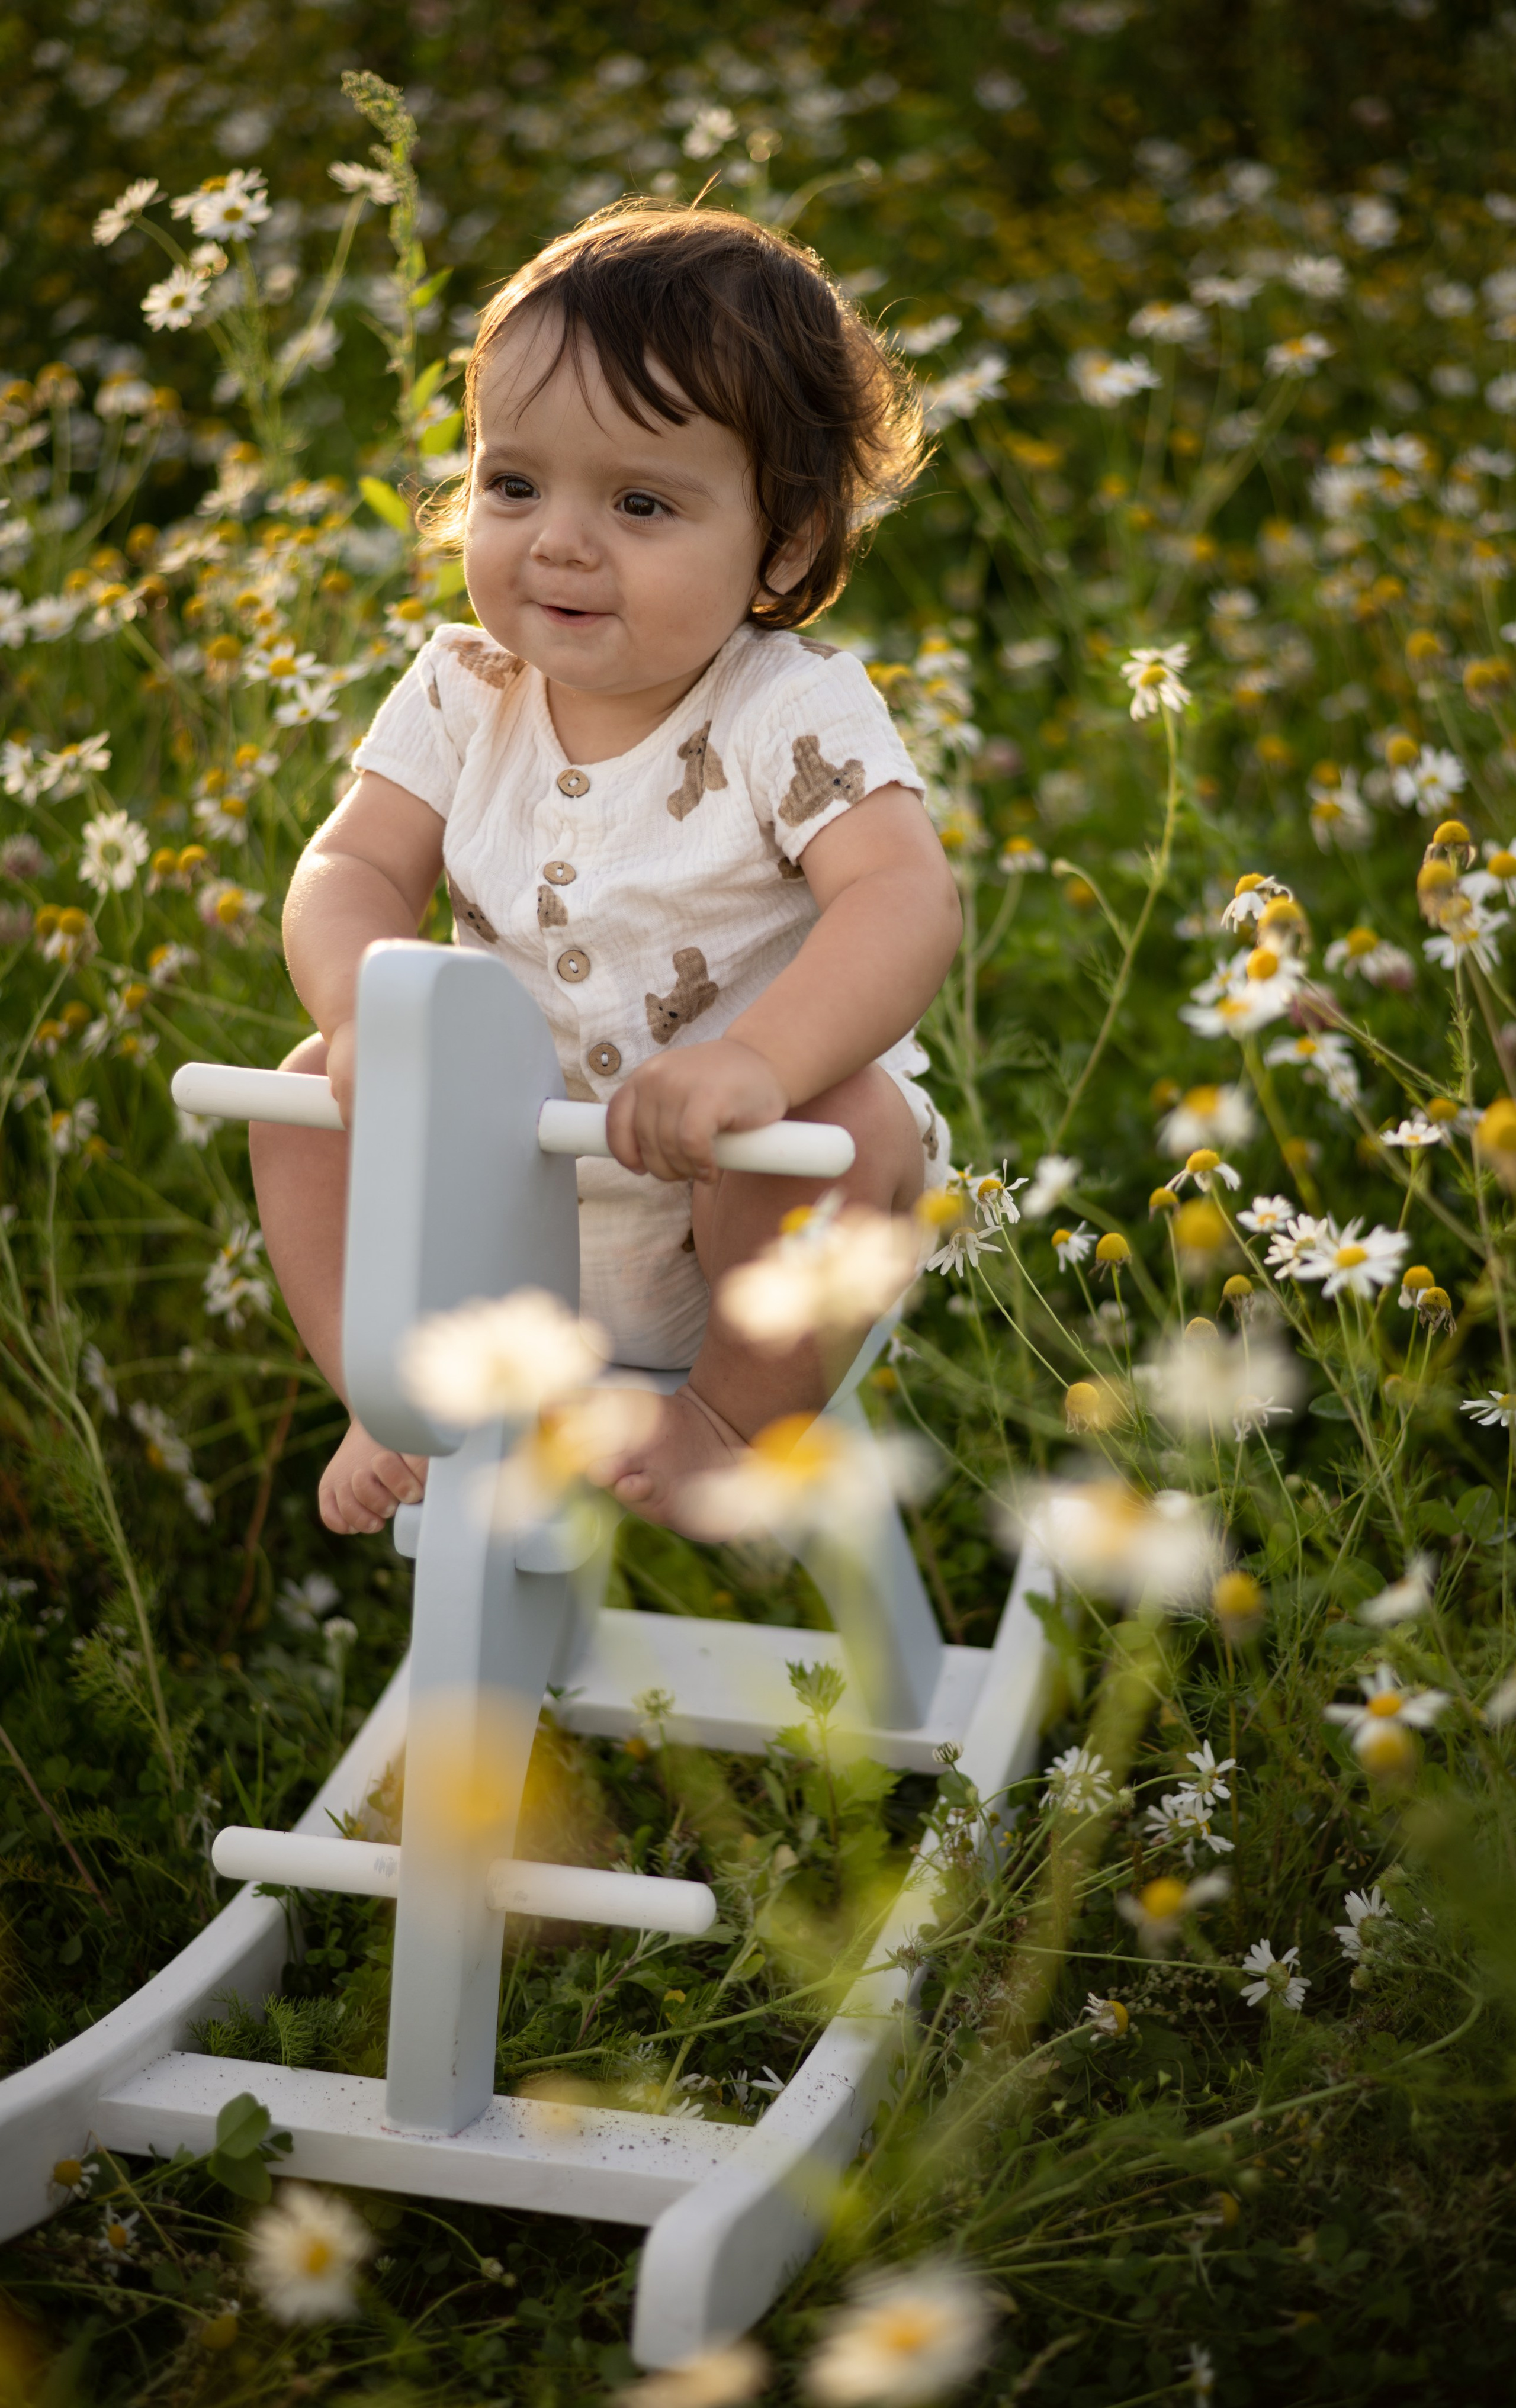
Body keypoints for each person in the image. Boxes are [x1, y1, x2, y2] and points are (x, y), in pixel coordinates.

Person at [250, 198, 961, 1540]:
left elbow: (901, 897)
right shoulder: (465, 689)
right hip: (496, 1185)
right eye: (513, 485)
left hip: (731, 1202)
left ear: (786, 544)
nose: (559, 541)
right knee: (298, 1105)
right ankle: (388, 1390)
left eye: (639, 503)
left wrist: (755, 1063)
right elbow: (348, 861)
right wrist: (358, 1010)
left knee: (848, 1125)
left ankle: (733, 1422)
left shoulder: (784, 708)